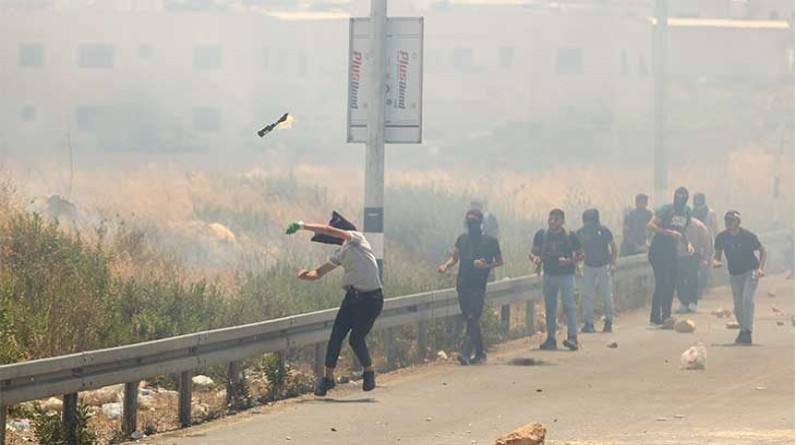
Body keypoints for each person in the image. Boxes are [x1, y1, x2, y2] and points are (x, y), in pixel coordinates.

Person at [285, 212, 384, 396]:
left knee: (356, 339)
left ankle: (369, 371)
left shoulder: (357, 239)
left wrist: (301, 225)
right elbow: (319, 273)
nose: (333, 236)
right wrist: (305, 276)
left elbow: (330, 230)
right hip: (353, 298)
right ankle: (328, 379)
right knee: (336, 336)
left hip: (371, 299)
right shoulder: (340, 253)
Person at [439, 209, 503, 365]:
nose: (471, 224)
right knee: (469, 318)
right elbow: (455, 257)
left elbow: (500, 261)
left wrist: (486, 265)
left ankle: (466, 353)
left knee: (473, 317)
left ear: (480, 223)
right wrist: (445, 266)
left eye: (474, 221)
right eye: (469, 221)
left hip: (478, 285)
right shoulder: (462, 239)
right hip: (462, 284)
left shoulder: (490, 241)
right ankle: (480, 352)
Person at [530, 209, 584, 351]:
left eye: (556, 219)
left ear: (562, 222)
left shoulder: (570, 236)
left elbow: (582, 254)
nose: (552, 222)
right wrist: (535, 258)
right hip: (549, 274)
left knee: (569, 306)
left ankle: (573, 337)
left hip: (566, 275)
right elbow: (533, 252)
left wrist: (568, 261)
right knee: (550, 308)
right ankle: (551, 338)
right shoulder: (542, 235)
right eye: (551, 218)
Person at [713, 211, 766, 345]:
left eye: (732, 220)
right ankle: (743, 330)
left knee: (747, 299)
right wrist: (716, 262)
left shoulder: (748, 236)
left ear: (738, 222)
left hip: (751, 270)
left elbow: (762, 251)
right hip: (735, 274)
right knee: (737, 305)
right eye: (727, 220)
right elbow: (717, 254)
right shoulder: (721, 237)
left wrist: (761, 268)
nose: (729, 222)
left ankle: (747, 331)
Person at [647, 187, 691, 327]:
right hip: (658, 249)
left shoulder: (686, 212)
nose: (680, 200)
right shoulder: (666, 209)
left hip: (672, 251)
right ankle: (655, 317)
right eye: (678, 196)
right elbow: (650, 225)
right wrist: (668, 232)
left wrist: (687, 244)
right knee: (661, 281)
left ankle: (666, 315)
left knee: (671, 283)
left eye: (683, 197)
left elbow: (682, 231)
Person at [576, 209, 617, 333]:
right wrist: (577, 265)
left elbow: (613, 247)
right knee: (587, 295)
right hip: (588, 266)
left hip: (603, 266)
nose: (588, 223)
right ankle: (589, 323)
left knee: (606, 294)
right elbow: (577, 249)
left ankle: (609, 320)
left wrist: (613, 263)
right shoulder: (581, 233)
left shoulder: (604, 231)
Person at [675, 216, 712, 314]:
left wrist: (705, 258)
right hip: (678, 255)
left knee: (692, 279)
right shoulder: (675, 223)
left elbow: (707, 242)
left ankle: (693, 302)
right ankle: (683, 302)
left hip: (693, 255)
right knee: (679, 280)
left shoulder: (697, 225)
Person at [692, 193, 718, 299]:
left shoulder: (710, 213)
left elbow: (715, 229)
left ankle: (699, 291)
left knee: (704, 268)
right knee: (693, 268)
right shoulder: (690, 213)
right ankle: (694, 290)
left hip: (707, 244)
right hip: (694, 244)